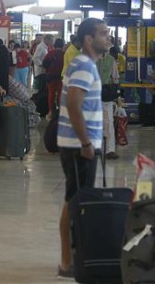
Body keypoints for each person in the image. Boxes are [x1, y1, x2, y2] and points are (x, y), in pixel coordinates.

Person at [56, 18, 109, 279]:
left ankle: (72, 258)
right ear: (88, 39)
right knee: (75, 202)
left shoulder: (81, 64)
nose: (108, 38)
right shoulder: (85, 65)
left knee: (75, 200)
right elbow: (74, 104)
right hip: (79, 146)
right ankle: (68, 261)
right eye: (103, 34)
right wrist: (86, 142)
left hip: (77, 143)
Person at [97, 48, 119, 159]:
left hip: (106, 96)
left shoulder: (111, 60)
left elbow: (115, 78)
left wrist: (115, 94)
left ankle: (109, 150)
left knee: (109, 122)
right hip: (93, 95)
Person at [42, 38, 65, 118]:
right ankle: (60, 112)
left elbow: (44, 64)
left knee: (51, 94)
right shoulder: (64, 54)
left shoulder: (50, 53)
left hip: (51, 77)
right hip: (61, 77)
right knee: (60, 94)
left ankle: (51, 112)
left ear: (55, 45)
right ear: (62, 45)